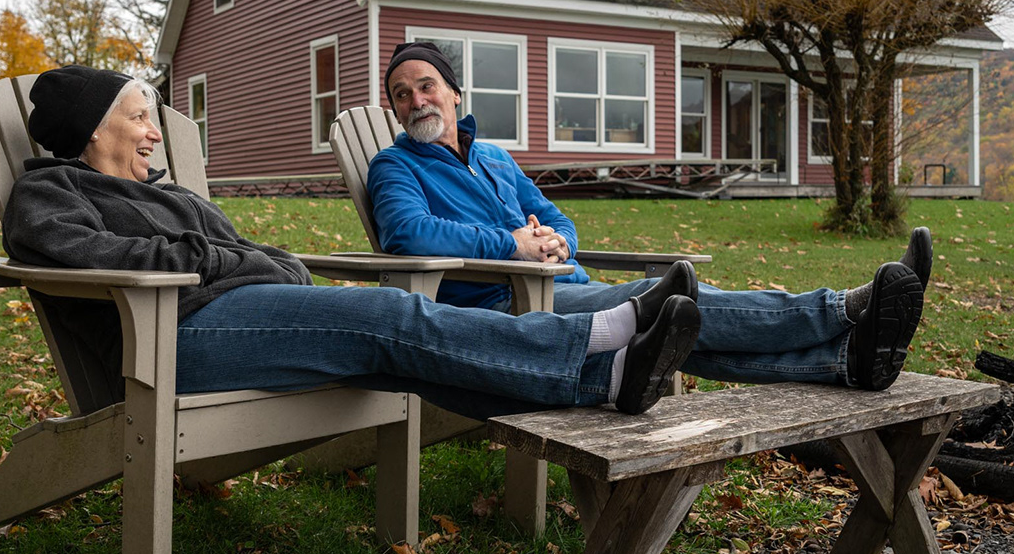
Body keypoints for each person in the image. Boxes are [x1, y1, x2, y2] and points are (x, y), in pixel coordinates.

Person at [0, 66, 701, 416]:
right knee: (392, 318)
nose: (155, 133)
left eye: (154, 120)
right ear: (93, 130)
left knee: (400, 358)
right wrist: (223, 262)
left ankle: (600, 379)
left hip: (231, 316)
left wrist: (244, 262)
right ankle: (598, 336)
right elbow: (111, 258)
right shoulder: (49, 193)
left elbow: (269, 259)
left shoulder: (171, 195)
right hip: (159, 344)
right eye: (138, 117)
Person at [367, 42, 934, 391]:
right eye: (401, 94)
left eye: (426, 86)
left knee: (670, 329)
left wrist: (559, 243)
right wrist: (511, 246)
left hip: (564, 285)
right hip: (507, 304)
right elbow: (407, 233)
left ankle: (846, 359)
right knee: (665, 300)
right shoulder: (394, 166)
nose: (416, 101)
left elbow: (557, 217)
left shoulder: (493, 156)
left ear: (455, 94)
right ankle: (845, 309)